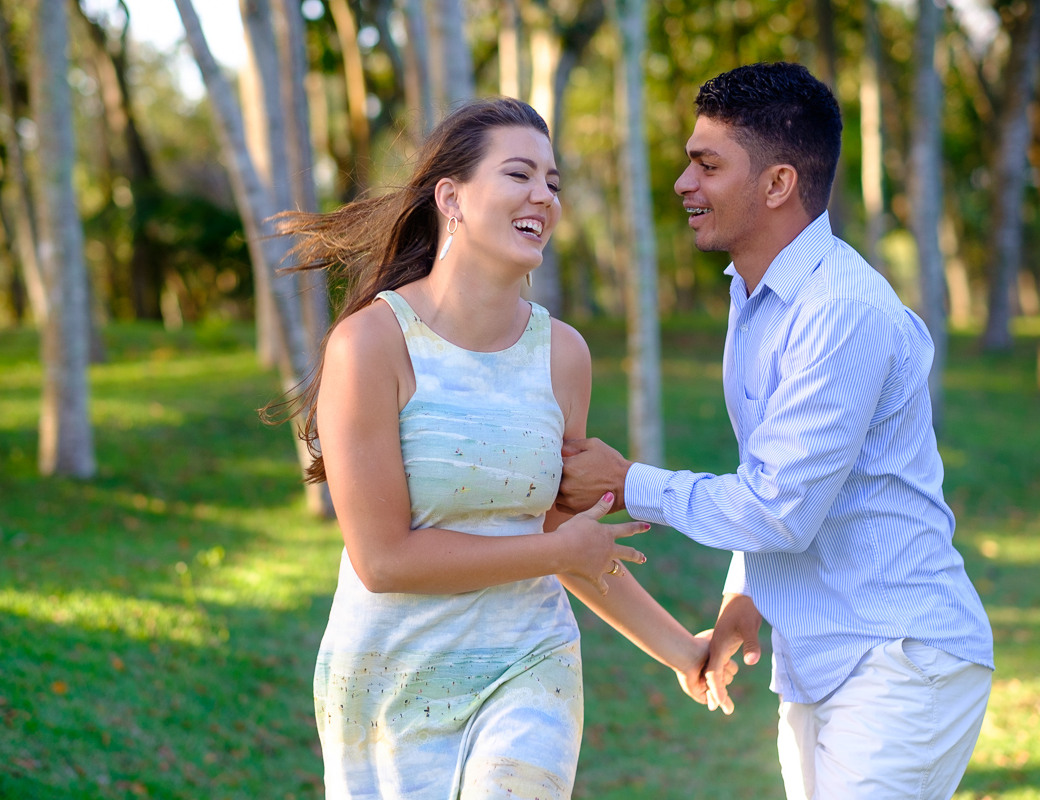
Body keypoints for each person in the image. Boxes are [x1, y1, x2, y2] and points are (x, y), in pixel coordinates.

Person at [556, 63, 994, 799]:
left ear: (778, 183)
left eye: (707, 164)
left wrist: (628, 480)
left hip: (900, 655)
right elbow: (781, 473)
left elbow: (780, 509)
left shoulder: (841, 311)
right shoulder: (757, 298)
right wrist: (745, 598)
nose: (683, 184)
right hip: (821, 657)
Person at [272, 98, 723, 800]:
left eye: (553, 181)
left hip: (528, 661)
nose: (543, 195)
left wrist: (682, 652)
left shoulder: (562, 355)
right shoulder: (372, 344)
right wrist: (556, 554)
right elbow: (383, 559)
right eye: (519, 174)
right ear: (450, 197)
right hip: (390, 682)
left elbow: (557, 528)